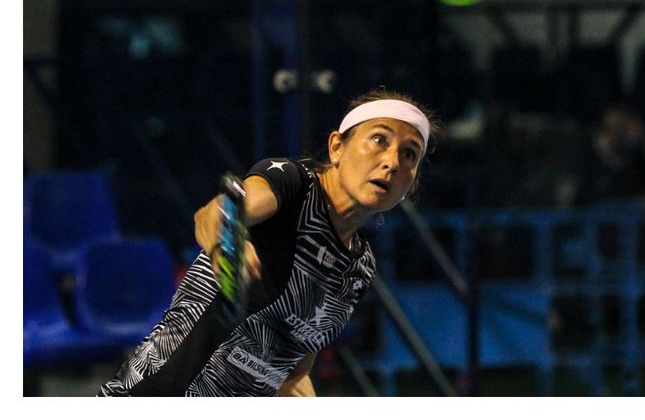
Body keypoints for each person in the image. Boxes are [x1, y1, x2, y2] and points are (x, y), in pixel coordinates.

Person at [101, 90, 442, 396]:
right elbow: (215, 214)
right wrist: (227, 249)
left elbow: (293, 368)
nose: (392, 162)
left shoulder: (359, 267)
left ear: (410, 186)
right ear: (337, 147)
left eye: (409, 155)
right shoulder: (292, 185)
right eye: (379, 140)